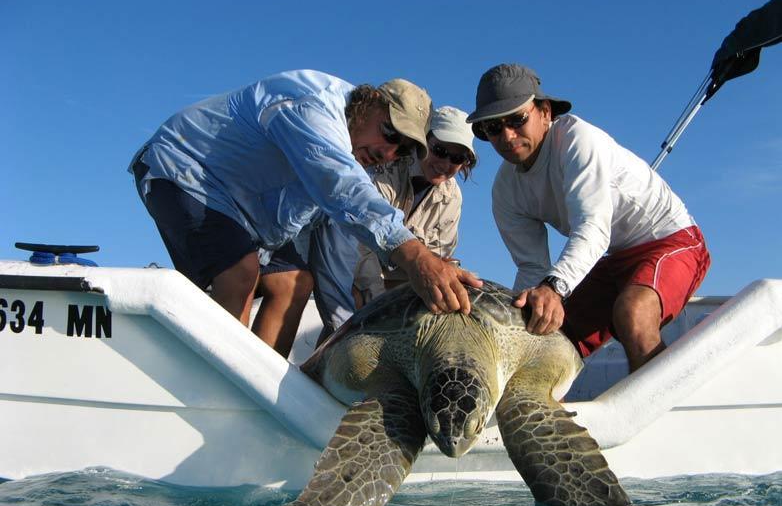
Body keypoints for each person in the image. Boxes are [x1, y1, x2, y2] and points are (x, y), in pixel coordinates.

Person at [129, 70, 481, 357]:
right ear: (369, 102)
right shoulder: (313, 107)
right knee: (240, 273)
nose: (388, 152)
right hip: (183, 171)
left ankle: (258, 393)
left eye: (402, 150)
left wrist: (344, 330)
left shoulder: (359, 156)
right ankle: (215, 391)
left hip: (247, 217)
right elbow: (343, 187)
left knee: (293, 282)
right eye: (389, 133)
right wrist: (416, 256)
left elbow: (335, 252)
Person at [467, 63, 710, 373]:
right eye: (493, 128)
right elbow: (531, 266)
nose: (507, 135)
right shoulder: (505, 190)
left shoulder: (576, 139)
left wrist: (554, 289)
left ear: (545, 111)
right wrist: (524, 322)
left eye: (517, 119)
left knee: (632, 314)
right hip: (612, 259)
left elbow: (593, 228)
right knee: (545, 336)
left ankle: (665, 417)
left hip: (673, 241)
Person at [353, 106, 476, 307]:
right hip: (354, 269)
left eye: (456, 158)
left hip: (404, 284)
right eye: (439, 151)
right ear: (423, 141)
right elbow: (360, 248)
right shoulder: (387, 169)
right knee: (344, 310)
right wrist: (377, 308)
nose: (445, 164)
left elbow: (439, 259)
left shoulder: (452, 197)